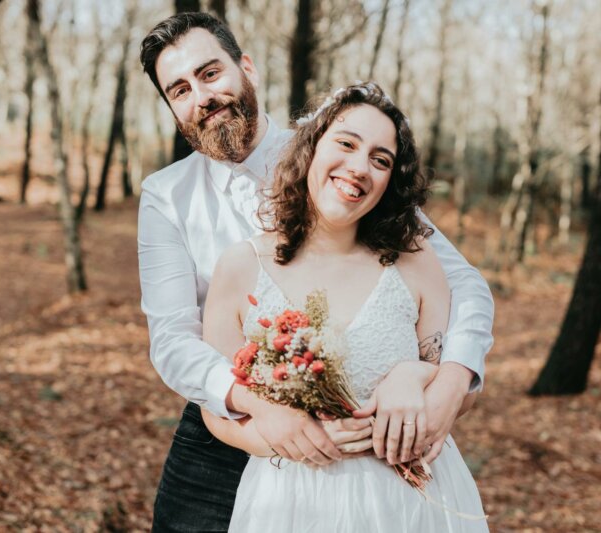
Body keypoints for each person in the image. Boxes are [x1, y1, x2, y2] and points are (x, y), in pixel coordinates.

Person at [138, 12, 493, 532]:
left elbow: (462, 284)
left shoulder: (339, 153)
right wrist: (258, 406)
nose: (203, 97)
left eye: (210, 73)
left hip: (363, 440)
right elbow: (172, 338)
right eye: (180, 90)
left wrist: (446, 384)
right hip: (226, 419)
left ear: (246, 67)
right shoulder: (167, 195)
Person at [201, 81, 487, 532]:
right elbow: (214, 408)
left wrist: (415, 375)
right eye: (347, 144)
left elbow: (458, 395)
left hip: (413, 507)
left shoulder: (415, 260)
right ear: (311, 148)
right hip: (292, 504)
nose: (359, 168)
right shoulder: (240, 267)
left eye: (380, 160)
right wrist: (278, 439)